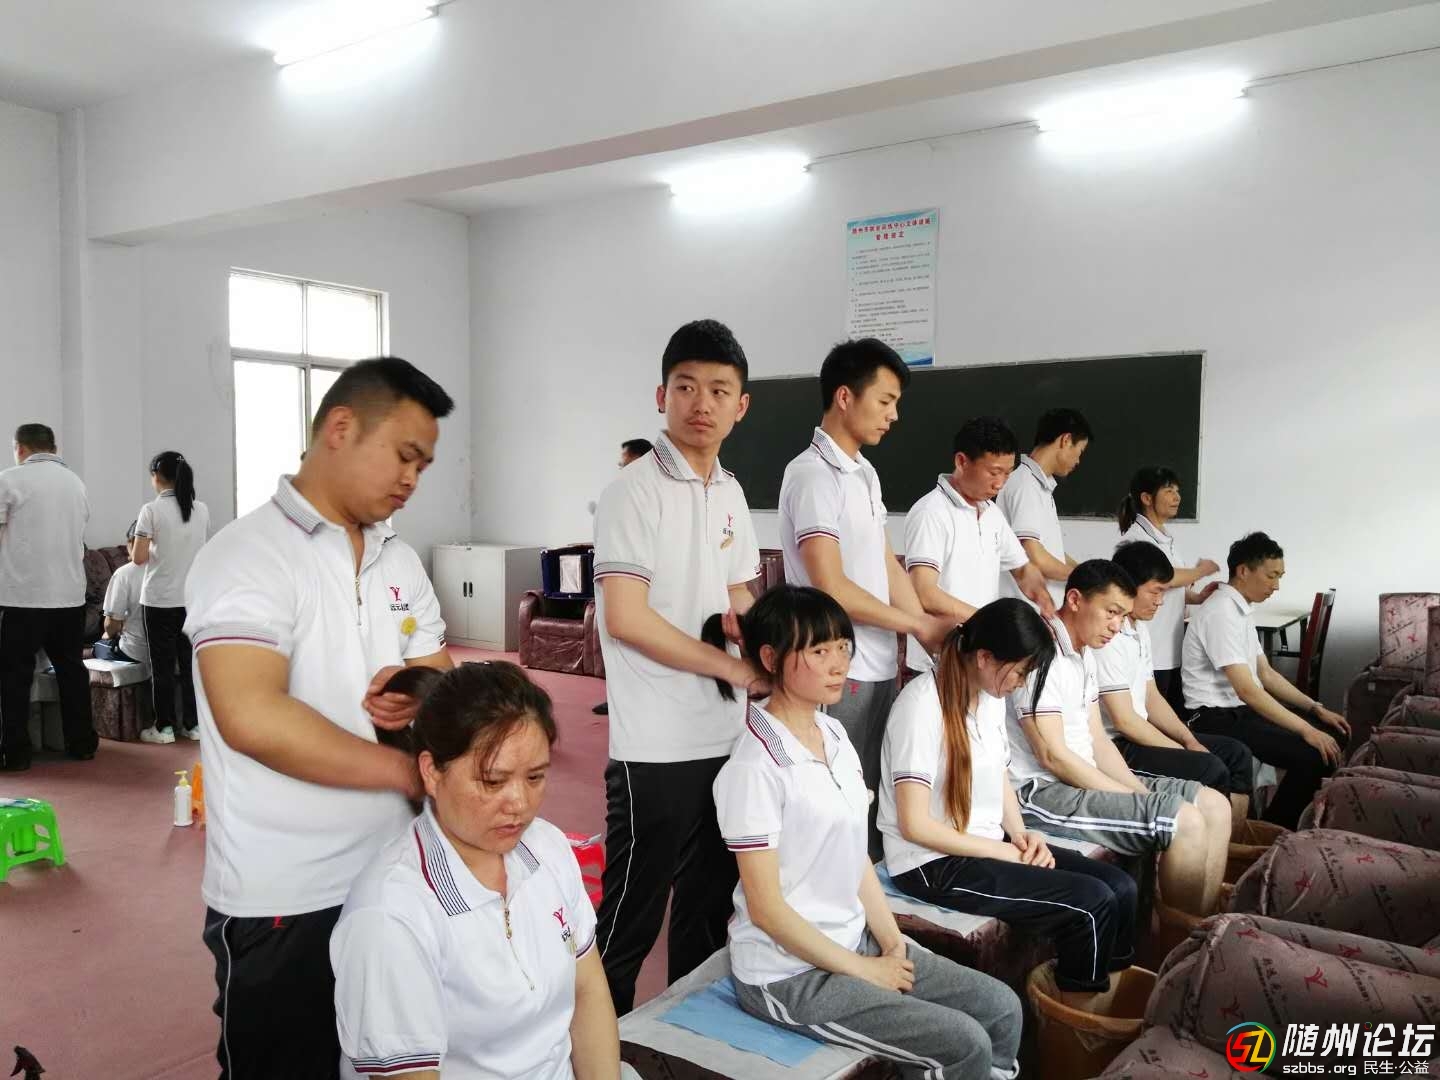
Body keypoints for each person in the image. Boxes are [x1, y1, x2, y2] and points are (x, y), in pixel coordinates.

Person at [184, 357, 456, 1080]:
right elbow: (251, 714)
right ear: (340, 428)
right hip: (287, 894)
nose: (412, 479)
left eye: (424, 466)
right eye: (404, 455)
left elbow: (440, 676)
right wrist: (409, 772)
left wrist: (420, 694)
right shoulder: (247, 555)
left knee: (394, 1060)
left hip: (399, 874)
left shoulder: (398, 560)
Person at [714, 585, 1023, 1078]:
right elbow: (767, 909)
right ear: (771, 658)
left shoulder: (833, 733)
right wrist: (865, 970)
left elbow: (854, 856)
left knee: (1001, 1007)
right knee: (963, 1043)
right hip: (788, 975)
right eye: (819, 651)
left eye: (843, 647)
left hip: (853, 939)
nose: (839, 663)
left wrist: (892, 941)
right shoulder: (754, 766)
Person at [331, 661, 622, 1080]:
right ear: (432, 772)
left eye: (535, 777)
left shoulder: (548, 848)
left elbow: (588, 989)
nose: (519, 803)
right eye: (492, 781)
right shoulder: (390, 917)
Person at [591, 319, 764, 1015]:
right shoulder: (632, 491)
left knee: (706, 909)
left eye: (720, 390)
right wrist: (733, 669)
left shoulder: (730, 490)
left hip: (724, 735)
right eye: (687, 387)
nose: (702, 403)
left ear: (741, 406)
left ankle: (684, 1040)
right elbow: (626, 618)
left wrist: (766, 645)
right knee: (629, 922)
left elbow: (738, 592)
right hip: (654, 743)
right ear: (662, 396)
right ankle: (592, 1050)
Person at [880, 598, 1140, 1006]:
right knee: (1091, 904)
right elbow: (915, 825)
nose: (1021, 682)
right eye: (1020, 671)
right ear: (984, 657)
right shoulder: (920, 706)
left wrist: (1021, 836)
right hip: (931, 863)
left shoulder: (989, 697)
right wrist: (1004, 851)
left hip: (985, 843)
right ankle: (1073, 1031)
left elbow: (999, 776)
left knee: (1121, 887)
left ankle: (1107, 1009)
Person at [778, 338, 950, 855]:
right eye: (886, 400)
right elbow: (830, 588)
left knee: (870, 793)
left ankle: (865, 895)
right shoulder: (812, 475)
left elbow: (885, 563)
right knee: (835, 801)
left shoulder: (865, 473)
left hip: (876, 663)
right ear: (845, 397)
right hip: (833, 667)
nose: (894, 415)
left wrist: (925, 630)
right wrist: (916, 625)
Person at [1009, 560, 1231, 917]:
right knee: (1183, 821)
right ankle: (1176, 942)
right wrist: (1127, 796)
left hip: (1082, 777)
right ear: (1075, 600)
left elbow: (1098, 741)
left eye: (1123, 616)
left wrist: (1137, 791)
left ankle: (1201, 928)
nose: (1117, 626)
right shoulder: (1042, 654)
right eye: (1111, 612)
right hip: (1042, 791)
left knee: (1214, 805)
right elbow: (1053, 756)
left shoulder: (1084, 653)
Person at [1181, 532, 1350, 830]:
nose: (1276, 585)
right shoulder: (1221, 612)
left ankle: (1283, 822)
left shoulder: (1240, 608)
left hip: (1239, 711)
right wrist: (1306, 730)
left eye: (1279, 577)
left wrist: (1315, 709)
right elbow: (1247, 690)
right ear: (1243, 571)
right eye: (1271, 576)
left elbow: (1266, 674)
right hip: (1213, 717)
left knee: (1334, 733)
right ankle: (1273, 830)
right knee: (1314, 754)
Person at [1098, 542, 1255, 831]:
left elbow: (1152, 697)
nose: (1161, 601)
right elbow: (1124, 721)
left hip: (1139, 734)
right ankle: (1213, 840)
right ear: (1127, 586)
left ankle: (1236, 839)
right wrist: (1181, 750)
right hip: (1117, 745)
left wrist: (1188, 740)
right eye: (1156, 591)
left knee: (1237, 754)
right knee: (1211, 768)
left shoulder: (1139, 630)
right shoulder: (1109, 638)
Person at [903, 416, 1055, 673]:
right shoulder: (931, 512)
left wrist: (1043, 598)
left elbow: (1022, 568)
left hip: (981, 656)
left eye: (1007, 473)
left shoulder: (992, 514)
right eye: (994, 472)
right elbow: (924, 592)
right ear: (961, 461)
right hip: (940, 657)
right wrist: (989, 622)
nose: (1000, 484)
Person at [0, 423, 95, 771]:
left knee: (15, 677)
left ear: (20, 448)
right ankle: (82, 744)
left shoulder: (9, 479)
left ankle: (16, 753)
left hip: (23, 598)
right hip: (69, 597)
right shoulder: (75, 484)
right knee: (72, 672)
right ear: (53, 448)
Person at [1114, 467, 1221, 709]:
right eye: (1169, 491)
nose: (1177, 497)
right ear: (1147, 498)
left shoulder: (1164, 536)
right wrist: (1201, 570)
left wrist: (1196, 597)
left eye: (1178, 491)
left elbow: (1169, 589)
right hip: (1153, 646)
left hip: (1170, 647)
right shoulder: (1138, 538)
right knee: (1153, 713)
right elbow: (1166, 578)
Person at [133, 450, 211, 744]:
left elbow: (138, 558)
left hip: (159, 600)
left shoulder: (151, 510)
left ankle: (164, 728)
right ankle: (193, 725)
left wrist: (149, 544)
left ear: (157, 476)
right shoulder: (200, 509)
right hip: (191, 600)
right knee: (189, 666)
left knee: (162, 667)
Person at [996, 408, 1091, 609]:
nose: (1078, 461)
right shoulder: (1025, 485)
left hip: (1040, 609)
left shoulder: (1040, 486)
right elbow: (1035, 556)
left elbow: (1049, 552)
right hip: (1026, 609)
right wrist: (1086, 579)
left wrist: (1091, 572)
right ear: (1066, 440)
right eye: (1080, 451)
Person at [592, 439, 654, 717]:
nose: (622, 470)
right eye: (621, 465)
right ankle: (616, 699)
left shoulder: (655, 498)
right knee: (615, 649)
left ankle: (634, 704)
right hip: (613, 582)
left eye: (627, 464)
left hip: (643, 590)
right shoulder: (617, 495)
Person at [95, 521, 149, 667]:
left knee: (99, 646)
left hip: (134, 652)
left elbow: (111, 624)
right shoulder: (172, 571)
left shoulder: (125, 574)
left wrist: (108, 635)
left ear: (132, 542)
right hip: (167, 650)